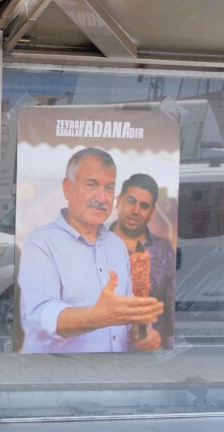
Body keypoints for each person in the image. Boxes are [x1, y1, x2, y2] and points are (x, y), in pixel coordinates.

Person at [18, 148, 164, 353]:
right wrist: (96, 317)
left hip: (115, 373)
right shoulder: (41, 243)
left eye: (109, 187)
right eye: (92, 184)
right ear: (67, 188)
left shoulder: (116, 245)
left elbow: (126, 313)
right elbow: (42, 315)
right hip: (62, 377)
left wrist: (143, 333)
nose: (102, 198)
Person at [110, 173, 176, 350]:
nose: (136, 211)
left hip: (149, 357)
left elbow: (173, 316)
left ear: (152, 212)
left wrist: (161, 341)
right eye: (131, 201)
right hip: (99, 355)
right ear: (119, 201)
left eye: (144, 206)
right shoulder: (92, 244)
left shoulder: (164, 252)